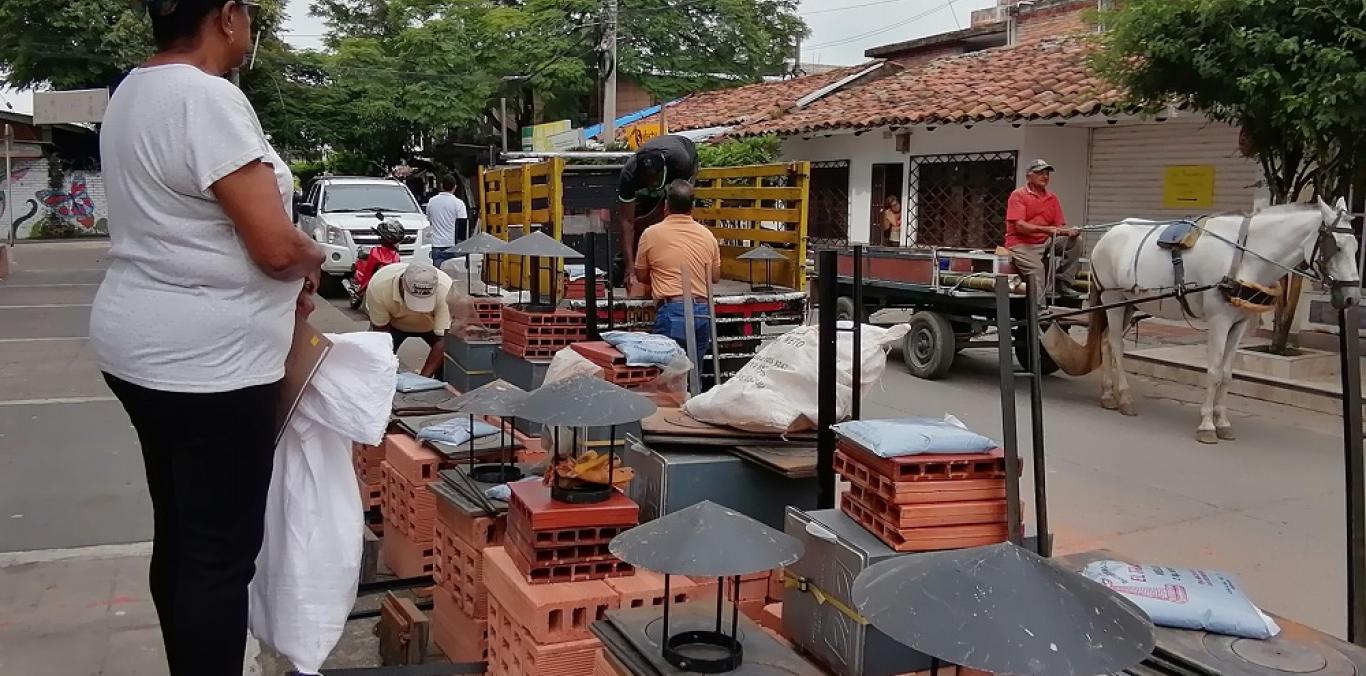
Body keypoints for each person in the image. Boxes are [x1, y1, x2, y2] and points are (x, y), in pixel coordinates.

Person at [89, 1, 325, 674]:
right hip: (208, 366)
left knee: (185, 536)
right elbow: (276, 249)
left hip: (139, 344)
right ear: (226, 16)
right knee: (219, 555)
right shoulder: (205, 97)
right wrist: (314, 260)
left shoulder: (135, 89)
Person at [634, 180, 721, 356]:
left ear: (666, 205)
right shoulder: (707, 235)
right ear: (692, 206)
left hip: (672, 310)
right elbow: (715, 277)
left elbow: (641, 275)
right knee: (694, 373)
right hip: (703, 312)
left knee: (670, 375)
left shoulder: (651, 234)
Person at [617, 134, 700, 286]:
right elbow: (626, 223)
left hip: (686, 150)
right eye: (648, 178)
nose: (653, 182)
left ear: (664, 168)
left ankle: (679, 260)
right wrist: (630, 270)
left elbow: (682, 206)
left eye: (656, 176)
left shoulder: (680, 163)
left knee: (676, 213)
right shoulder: (629, 175)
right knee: (642, 219)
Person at [1005, 159, 1081, 302]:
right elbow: (1020, 227)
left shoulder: (1052, 198)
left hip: (1045, 241)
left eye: (1047, 173)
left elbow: (1058, 227)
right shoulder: (1018, 195)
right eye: (1040, 172)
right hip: (1022, 244)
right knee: (1037, 271)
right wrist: (1047, 230)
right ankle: (1039, 312)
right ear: (1028, 176)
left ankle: (1062, 282)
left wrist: (1069, 231)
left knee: (1075, 241)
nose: (1045, 176)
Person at [366, 262, 453, 377]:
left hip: (431, 325)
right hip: (393, 324)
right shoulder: (379, 286)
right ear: (402, 284)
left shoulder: (446, 289)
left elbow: (443, 339)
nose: (417, 309)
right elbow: (381, 333)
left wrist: (423, 379)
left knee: (448, 363)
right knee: (375, 365)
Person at [426, 176, 468, 270]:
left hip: (436, 244)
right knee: (452, 274)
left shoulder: (432, 202)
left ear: (441, 186)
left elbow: (429, 220)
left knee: (438, 274)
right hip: (452, 245)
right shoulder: (458, 203)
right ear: (455, 187)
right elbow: (463, 226)